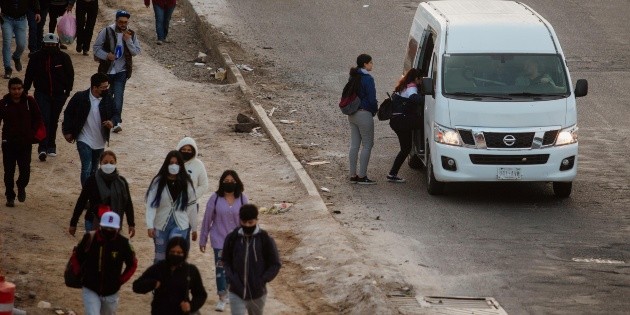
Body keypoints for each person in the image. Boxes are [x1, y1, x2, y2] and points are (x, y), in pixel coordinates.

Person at [199, 170, 249, 312]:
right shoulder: (214, 198)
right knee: (221, 269)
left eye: (232, 181)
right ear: (221, 183)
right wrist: (203, 239)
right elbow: (207, 220)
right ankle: (222, 297)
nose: (229, 183)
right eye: (226, 181)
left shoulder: (243, 199)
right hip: (219, 239)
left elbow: (248, 220)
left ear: (237, 182)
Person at [62, 72, 119, 186]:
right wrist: (67, 131)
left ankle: (91, 193)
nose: (106, 90)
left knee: (94, 169)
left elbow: (116, 114)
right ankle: (86, 195)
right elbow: (68, 113)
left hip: (99, 140)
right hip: (84, 138)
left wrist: (112, 122)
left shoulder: (108, 99)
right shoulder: (80, 97)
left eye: (107, 87)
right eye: (103, 88)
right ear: (94, 87)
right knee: (86, 168)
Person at [222, 204, 281, 315]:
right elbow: (225, 260)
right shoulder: (232, 238)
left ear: (256, 220)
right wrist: (232, 277)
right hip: (236, 292)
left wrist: (262, 280)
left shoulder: (265, 239)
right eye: (244, 222)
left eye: (250, 223)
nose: (247, 225)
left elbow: (275, 264)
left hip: (258, 294)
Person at [75, 211, 137, 315]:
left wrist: (121, 280)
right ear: (100, 226)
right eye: (106, 227)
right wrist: (80, 275)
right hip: (90, 287)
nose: (108, 230)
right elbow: (76, 256)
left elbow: (132, 264)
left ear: (117, 228)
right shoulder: (90, 238)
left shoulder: (123, 243)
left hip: (111, 291)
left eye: (111, 228)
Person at [24, 33, 74, 161]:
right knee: (44, 119)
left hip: (59, 95)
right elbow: (29, 74)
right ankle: (42, 148)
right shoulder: (36, 57)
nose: (50, 47)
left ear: (57, 44)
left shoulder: (64, 57)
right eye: (48, 45)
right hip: (41, 93)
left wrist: (67, 91)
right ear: (43, 45)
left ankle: (51, 146)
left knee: (53, 120)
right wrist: (25, 89)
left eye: (53, 45)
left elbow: (70, 75)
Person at [93, 10, 141, 133]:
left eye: (125, 22)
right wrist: (106, 55)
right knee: (105, 96)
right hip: (107, 71)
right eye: (120, 22)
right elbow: (96, 48)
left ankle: (115, 122)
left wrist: (128, 41)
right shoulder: (106, 31)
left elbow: (135, 51)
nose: (123, 24)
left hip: (122, 71)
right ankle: (102, 120)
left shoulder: (131, 34)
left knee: (118, 97)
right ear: (116, 21)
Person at [146, 150, 198, 263]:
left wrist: (194, 228)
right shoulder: (158, 182)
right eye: (171, 163)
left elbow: (192, 207)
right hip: (161, 225)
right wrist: (150, 225)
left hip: (180, 224)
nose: (174, 165)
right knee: (160, 257)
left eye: (177, 163)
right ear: (166, 164)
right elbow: (151, 205)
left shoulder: (186, 183)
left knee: (175, 253)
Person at [133, 237, 208, 315]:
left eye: (179, 253)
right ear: (167, 252)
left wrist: (191, 305)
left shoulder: (191, 270)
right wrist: (153, 284)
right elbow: (137, 286)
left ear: (185, 253)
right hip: (160, 311)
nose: (175, 255)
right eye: (172, 252)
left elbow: (201, 294)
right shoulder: (159, 267)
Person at [69, 150, 135, 237]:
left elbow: (128, 203)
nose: (108, 165)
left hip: (113, 224)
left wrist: (131, 224)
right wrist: (73, 223)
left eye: (111, 162)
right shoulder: (92, 181)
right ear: (100, 163)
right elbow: (81, 201)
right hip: (93, 221)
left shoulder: (121, 182)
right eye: (105, 162)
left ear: (115, 163)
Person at [0, 78, 44, 207]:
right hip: (8, 142)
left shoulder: (30, 101)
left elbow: (38, 118)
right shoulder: (3, 103)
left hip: (25, 142)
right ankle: (10, 196)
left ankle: (21, 185)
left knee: (25, 171)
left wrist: (32, 133)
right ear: (9, 89)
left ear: (23, 89)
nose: (17, 91)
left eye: (19, 88)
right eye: (14, 89)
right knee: (9, 172)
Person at [387, 68, 424, 183]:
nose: (422, 82)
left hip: (397, 120)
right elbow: (414, 98)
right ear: (416, 78)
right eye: (421, 79)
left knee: (405, 148)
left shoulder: (403, 85)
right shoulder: (412, 87)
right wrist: (428, 98)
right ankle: (392, 174)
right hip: (402, 121)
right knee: (405, 148)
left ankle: (392, 173)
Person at [346, 54, 378, 185]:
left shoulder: (353, 76)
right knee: (367, 145)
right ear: (365, 64)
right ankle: (362, 176)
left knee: (354, 145)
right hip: (364, 114)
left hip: (352, 113)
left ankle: (352, 175)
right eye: (370, 62)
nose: (372, 65)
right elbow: (371, 98)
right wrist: (374, 109)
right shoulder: (368, 79)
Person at [1, 0, 41, 79]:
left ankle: (16, 56)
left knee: (21, 44)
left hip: (21, 20)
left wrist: (37, 11)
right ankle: (7, 68)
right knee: (7, 42)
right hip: (6, 19)